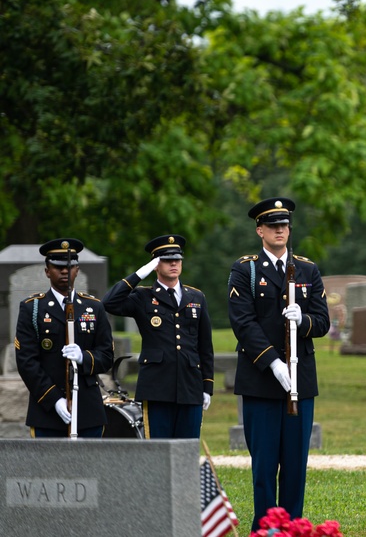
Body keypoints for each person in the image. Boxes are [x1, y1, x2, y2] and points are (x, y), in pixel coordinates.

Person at [227, 197, 330, 530]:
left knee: (296, 463)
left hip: (300, 380)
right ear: (260, 231)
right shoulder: (246, 270)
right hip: (261, 379)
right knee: (264, 464)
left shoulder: (307, 270)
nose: (280, 231)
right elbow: (243, 323)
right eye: (272, 226)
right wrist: (272, 362)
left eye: (284, 225)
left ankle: (293, 526)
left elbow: (323, 321)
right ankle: (264, 527)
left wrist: (304, 321)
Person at [102, 234, 214, 438]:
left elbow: (205, 346)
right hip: (156, 388)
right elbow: (109, 303)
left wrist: (207, 386)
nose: (174, 263)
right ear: (155, 264)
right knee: (158, 449)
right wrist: (138, 275)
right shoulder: (143, 297)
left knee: (187, 450)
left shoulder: (196, 297)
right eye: (166, 259)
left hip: (190, 386)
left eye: (177, 258)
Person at [14, 238, 114, 437]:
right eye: (57, 267)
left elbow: (106, 355)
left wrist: (84, 357)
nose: (64, 272)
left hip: (87, 410)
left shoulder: (93, 307)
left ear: (77, 270)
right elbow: (27, 362)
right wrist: (54, 400)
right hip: (48, 411)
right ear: (47, 271)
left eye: (70, 267)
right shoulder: (32, 308)